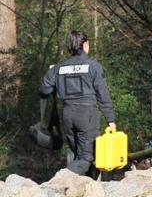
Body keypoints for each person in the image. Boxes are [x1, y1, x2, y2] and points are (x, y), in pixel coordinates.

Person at [38, 31, 116, 175]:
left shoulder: (59, 68)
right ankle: (61, 179)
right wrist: (110, 120)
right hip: (87, 116)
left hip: (68, 116)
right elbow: (103, 95)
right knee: (87, 158)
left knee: (78, 155)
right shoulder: (93, 66)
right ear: (85, 44)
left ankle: (86, 191)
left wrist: (53, 73)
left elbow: (44, 89)